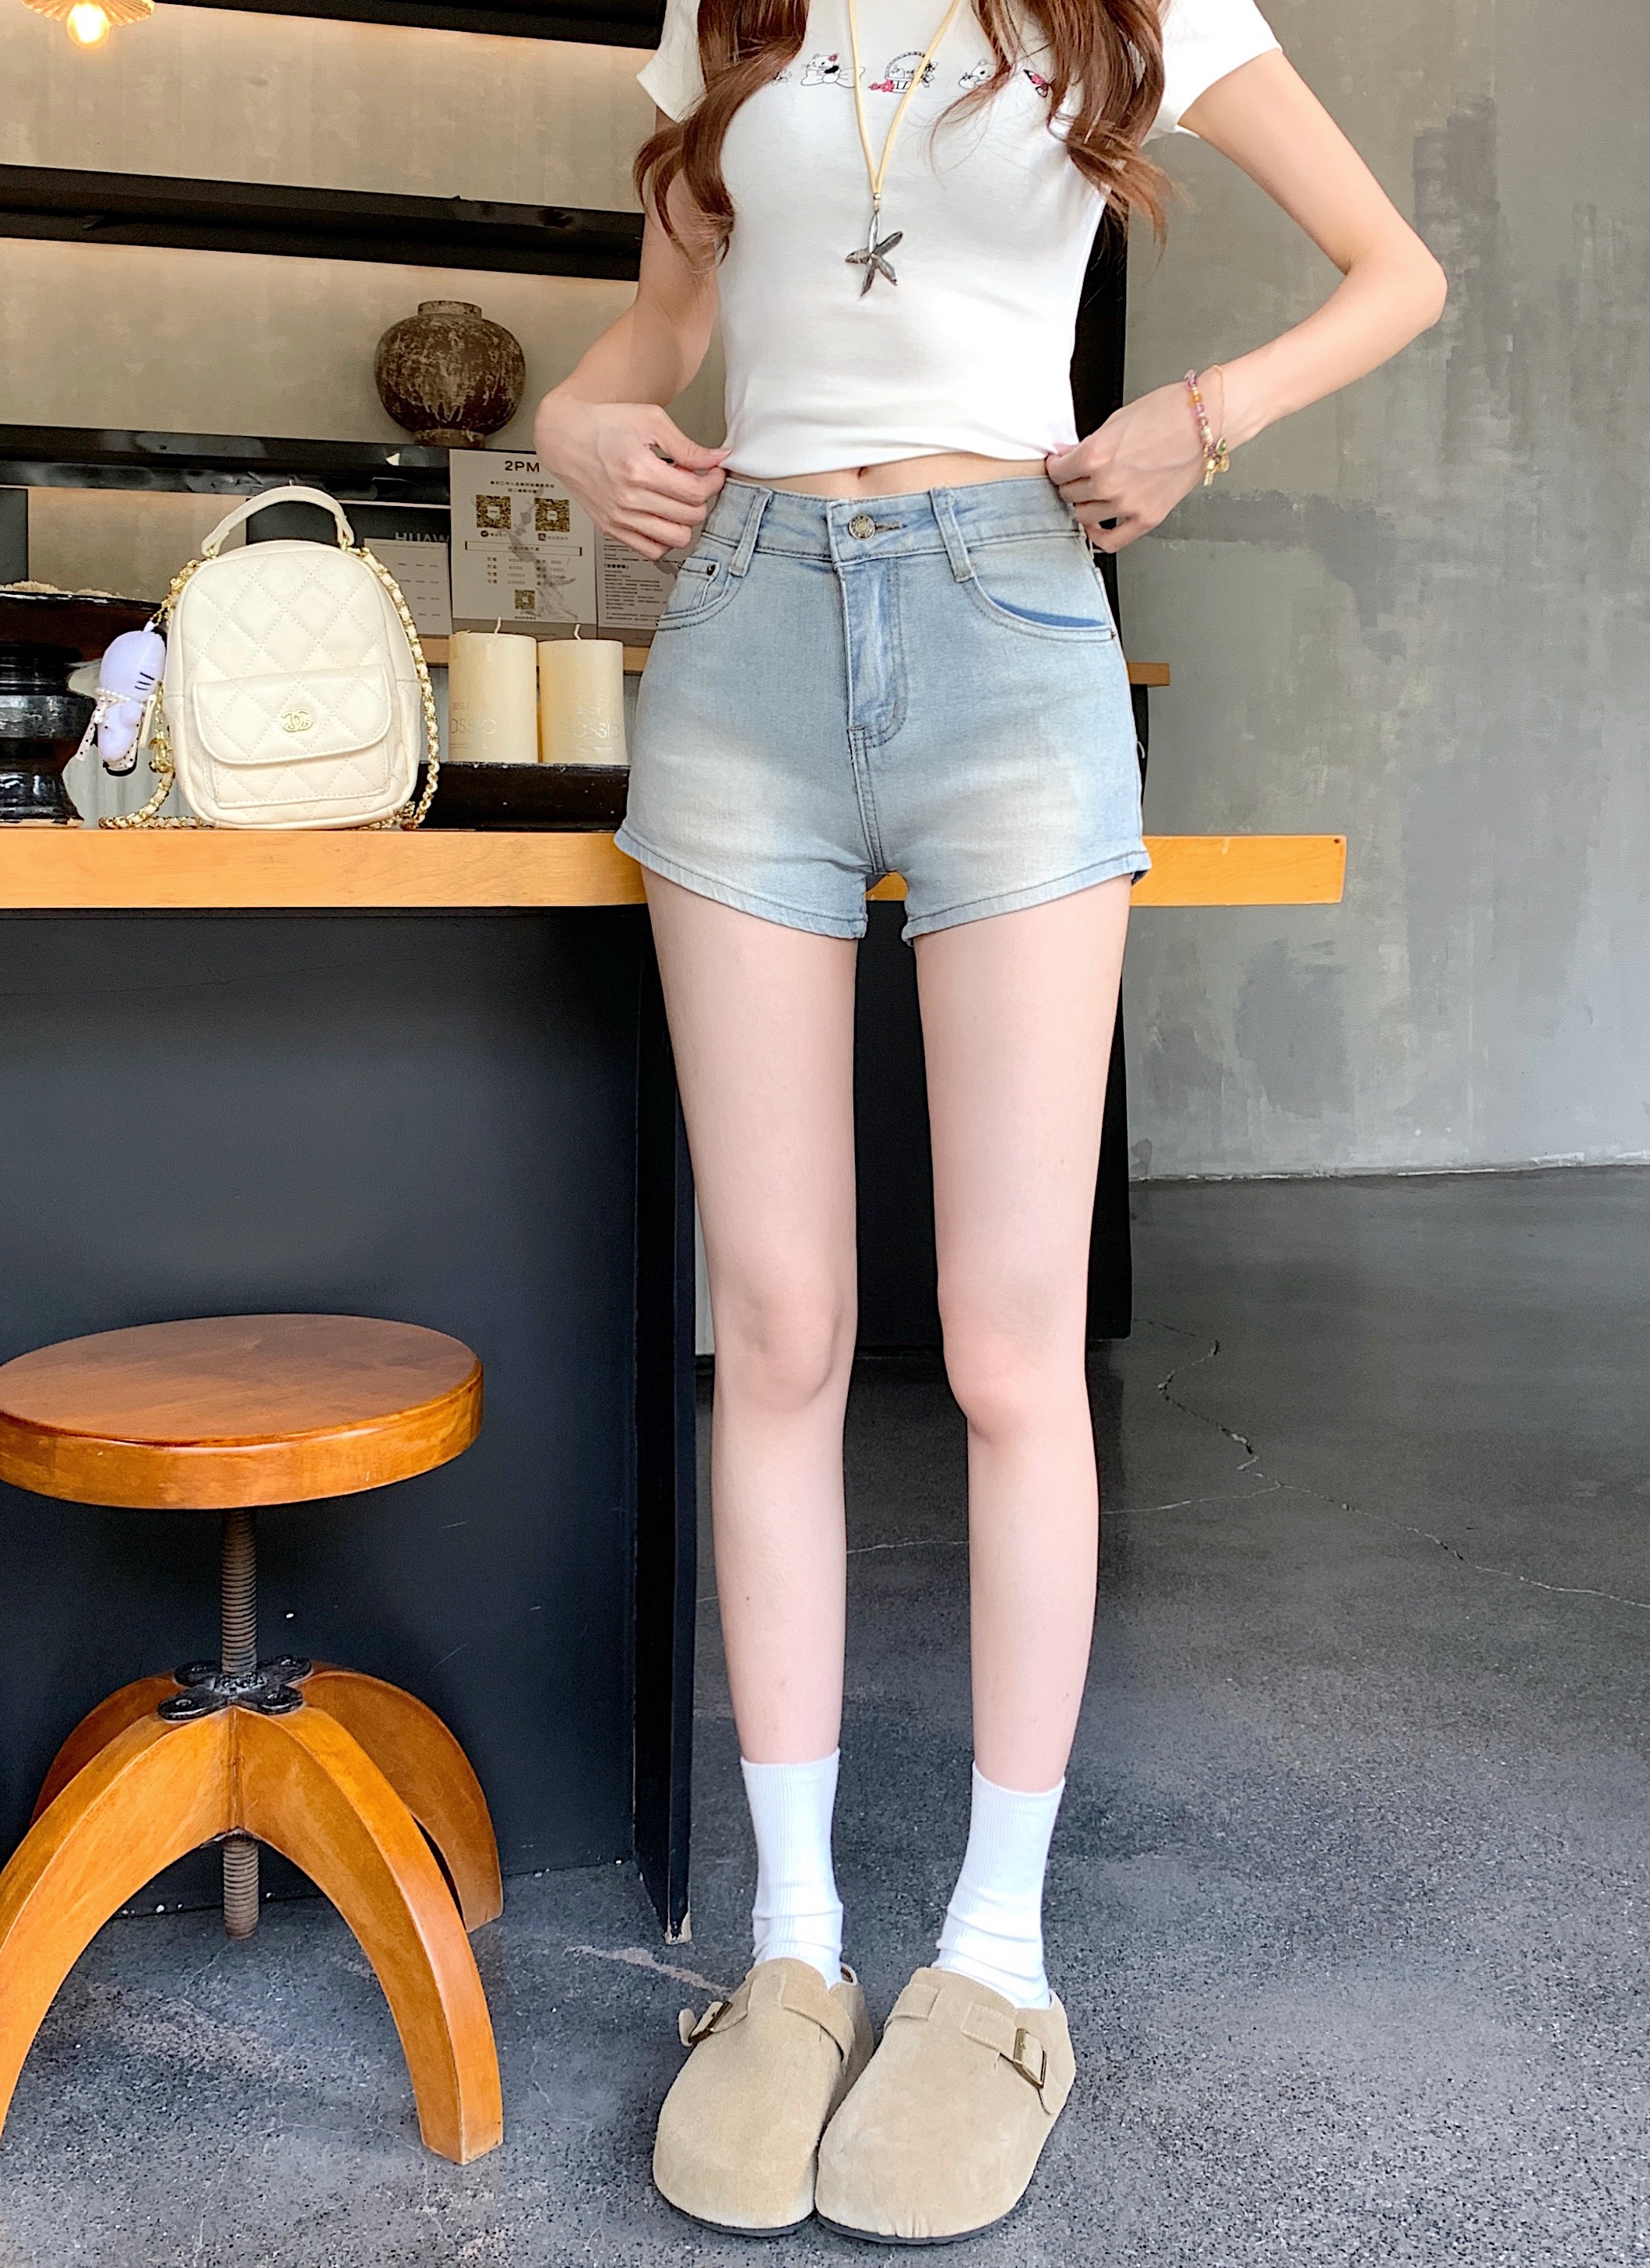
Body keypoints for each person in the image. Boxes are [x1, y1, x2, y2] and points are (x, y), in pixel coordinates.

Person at [534, 0, 1444, 2241]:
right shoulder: (731, 21)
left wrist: (1203, 418)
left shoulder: (1130, 11)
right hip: (742, 639)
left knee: (1012, 1341)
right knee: (778, 1322)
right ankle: (791, 1951)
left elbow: (1398, 269)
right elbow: (656, 341)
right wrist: (575, 422)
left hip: (1013, 626)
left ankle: (1000, 1968)